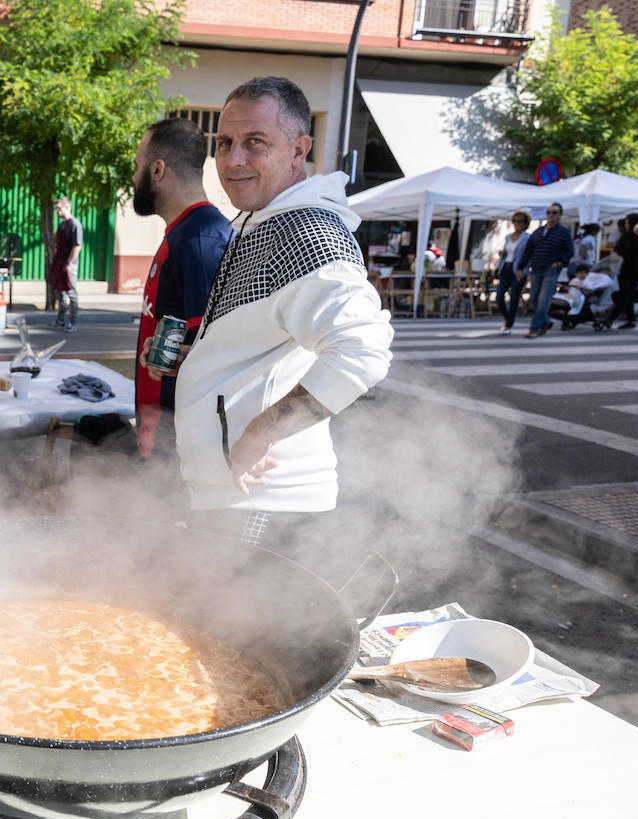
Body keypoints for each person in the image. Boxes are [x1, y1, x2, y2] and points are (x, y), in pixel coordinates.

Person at [140, 76, 393, 543]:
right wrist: (195, 354)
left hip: (266, 506)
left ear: (299, 149)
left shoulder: (307, 232)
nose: (234, 159)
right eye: (226, 143)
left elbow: (363, 352)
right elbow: (265, 341)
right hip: (236, 498)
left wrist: (260, 433)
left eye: (255, 142)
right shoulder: (260, 220)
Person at [130, 117, 234, 459]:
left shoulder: (201, 241)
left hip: (177, 449)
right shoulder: (184, 233)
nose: (133, 177)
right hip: (160, 436)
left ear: (157, 170)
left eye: (137, 166)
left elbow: (215, 359)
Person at [516, 202, 574, 338]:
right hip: (536, 268)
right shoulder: (538, 232)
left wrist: (560, 262)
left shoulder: (563, 231)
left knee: (543, 300)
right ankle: (546, 321)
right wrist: (520, 268)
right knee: (534, 300)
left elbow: (570, 251)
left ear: (559, 215)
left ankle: (534, 329)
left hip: (551, 269)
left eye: (554, 213)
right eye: (548, 212)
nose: (550, 215)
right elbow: (528, 251)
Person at [605, 213, 638, 330]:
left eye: (628, 222)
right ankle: (630, 320)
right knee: (628, 293)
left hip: (637, 269)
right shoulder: (625, 235)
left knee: (625, 293)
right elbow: (617, 250)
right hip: (625, 268)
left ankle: (612, 318)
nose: (626, 225)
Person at [493, 211, 531, 335]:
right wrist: (502, 253)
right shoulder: (508, 236)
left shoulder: (527, 238)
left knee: (514, 298)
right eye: (515, 221)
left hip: (518, 270)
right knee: (499, 297)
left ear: (525, 223)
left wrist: (524, 271)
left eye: (520, 221)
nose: (516, 224)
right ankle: (508, 318)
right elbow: (508, 251)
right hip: (506, 268)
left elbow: (528, 256)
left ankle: (508, 324)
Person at [49, 197, 82, 330]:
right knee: (60, 292)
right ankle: (60, 320)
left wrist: (68, 263)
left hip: (69, 264)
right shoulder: (62, 224)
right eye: (56, 209)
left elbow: (77, 246)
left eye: (59, 208)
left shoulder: (75, 224)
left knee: (71, 293)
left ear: (67, 207)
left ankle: (72, 322)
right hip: (60, 262)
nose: (57, 211)